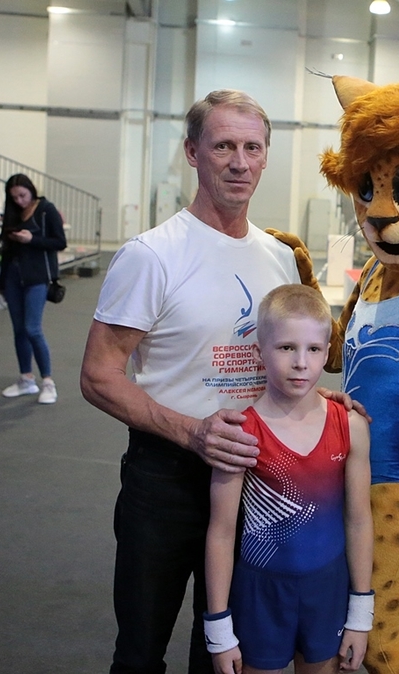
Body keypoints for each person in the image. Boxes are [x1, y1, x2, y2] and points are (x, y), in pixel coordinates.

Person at [81, 90, 311, 674]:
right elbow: (99, 375)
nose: (239, 162)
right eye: (223, 146)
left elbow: (286, 361)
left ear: (266, 156)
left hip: (255, 480)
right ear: (192, 152)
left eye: (252, 148)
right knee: (140, 651)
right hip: (166, 477)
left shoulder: (280, 258)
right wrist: (191, 433)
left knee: (224, 653)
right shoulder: (152, 255)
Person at [204, 284, 373, 674]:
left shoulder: (350, 426)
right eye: (286, 348)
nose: (301, 363)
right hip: (260, 594)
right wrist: (219, 628)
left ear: (327, 352)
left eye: (313, 349)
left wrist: (361, 613)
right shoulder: (240, 433)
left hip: (327, 591)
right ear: (259, 352)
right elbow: (221, 532)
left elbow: (359, 520)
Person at [0, 173, 66, 404]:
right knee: (19, 330)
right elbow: (6, 252)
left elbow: (60, 242)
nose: (19, 201)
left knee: (32, 329)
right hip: (13, 277)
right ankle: (26, 379)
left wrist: (32, 240)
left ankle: (48, 382)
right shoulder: (13, 213)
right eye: (14, 197)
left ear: (31, 190)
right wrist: (2, 286)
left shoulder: (46, 209)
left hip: (37, 277)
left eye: (22, 195)